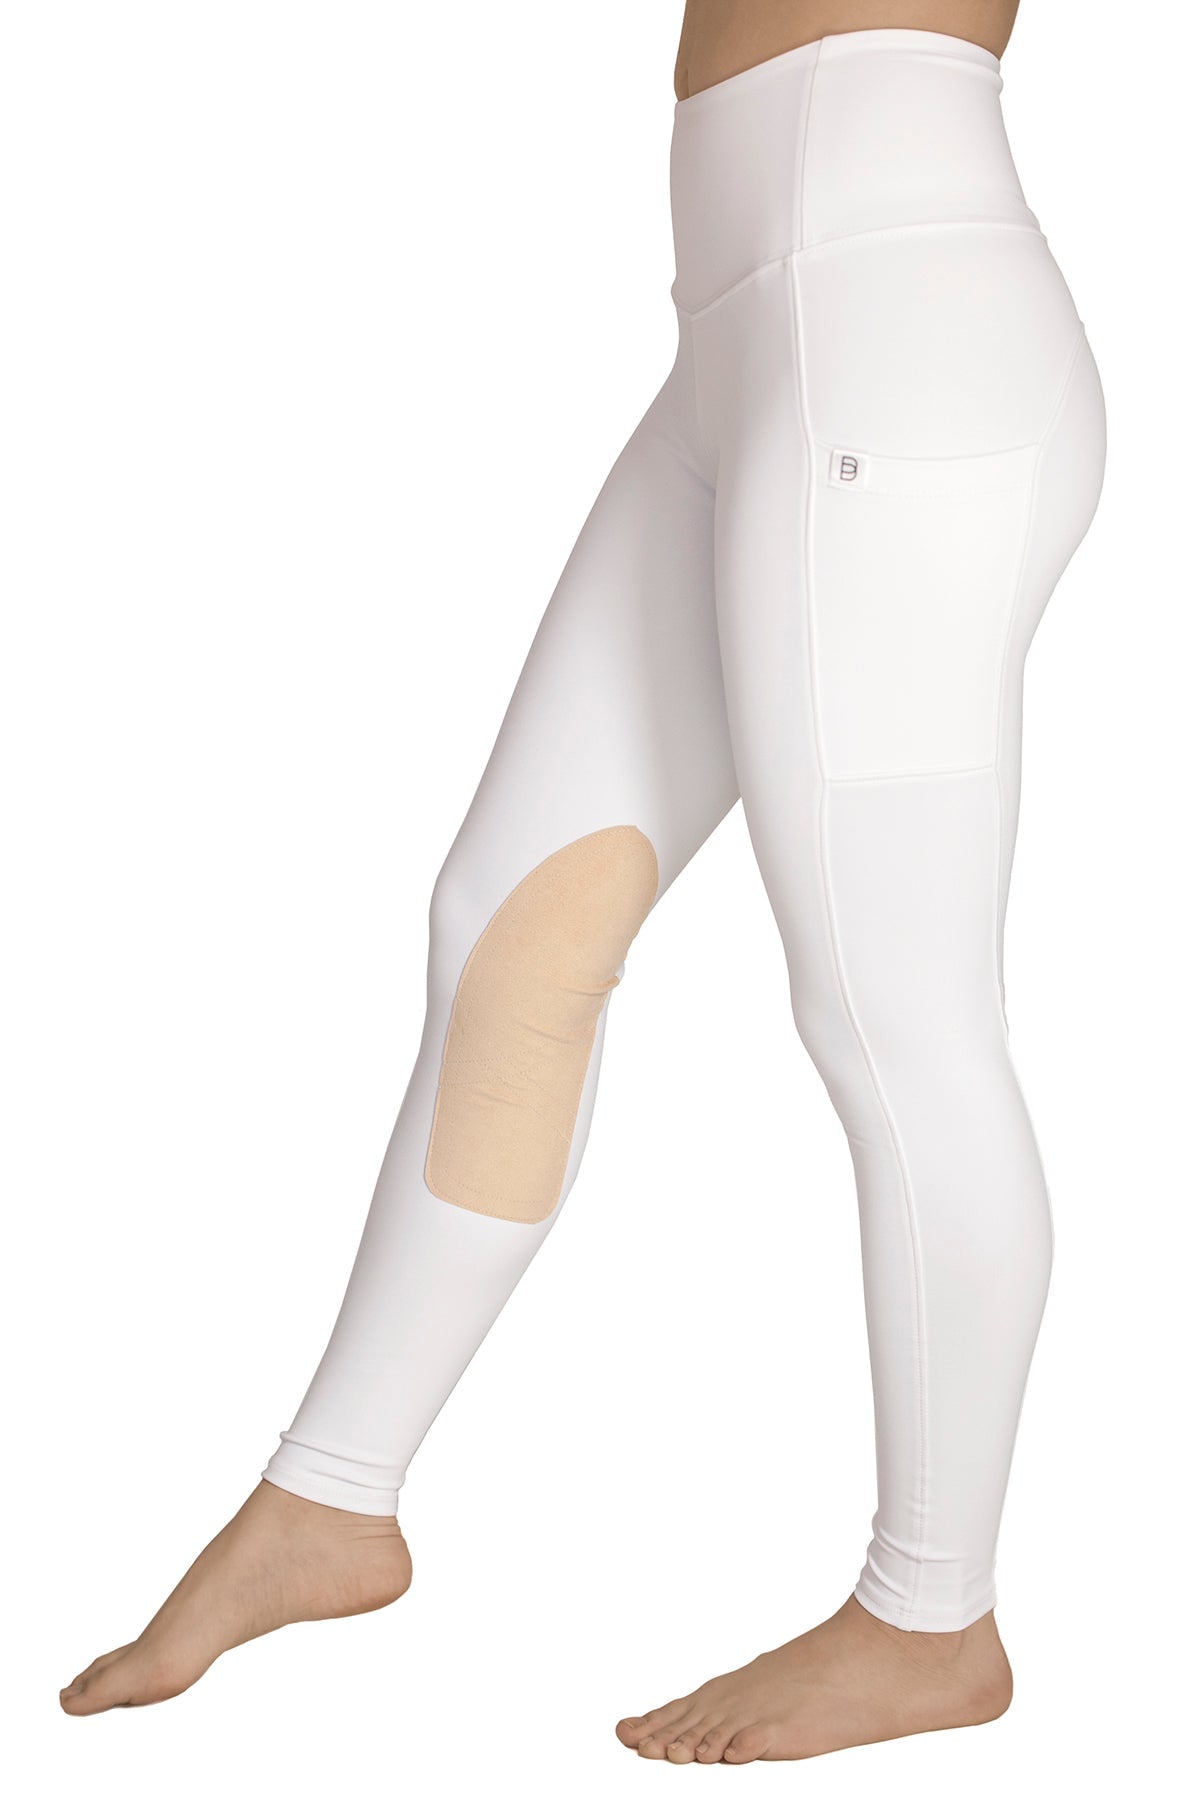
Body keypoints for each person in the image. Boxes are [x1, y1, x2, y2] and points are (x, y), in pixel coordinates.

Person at [59, 0, 1106, 1764]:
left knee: (894, 1015)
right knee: (513, 928)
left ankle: (934, 1619)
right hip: (751, 336)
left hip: (897, 336)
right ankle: (331, 1500)